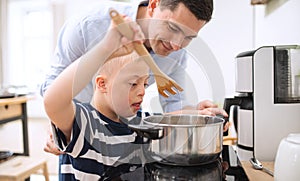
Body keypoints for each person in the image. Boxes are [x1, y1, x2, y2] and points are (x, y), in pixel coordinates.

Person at [41, 0, 229, 177]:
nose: (176, 44)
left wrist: (198, 116)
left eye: (189, 37)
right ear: (154, 5)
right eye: (172, 28)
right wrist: (61, 124)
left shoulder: (139, 123)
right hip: (78, 133)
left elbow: (173, 105)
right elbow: (52, 90)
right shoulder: (88, 26)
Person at [43, 19, 150, 180]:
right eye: (133, 83)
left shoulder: (140, 122)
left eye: (145, 83)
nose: (142, 91)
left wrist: (195, 112)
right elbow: (52, 102)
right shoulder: (86, 125)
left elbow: (172, 122)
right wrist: (105, 48)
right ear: (102, 84)